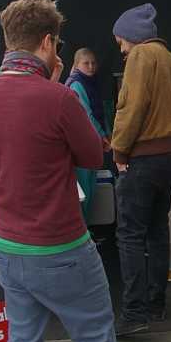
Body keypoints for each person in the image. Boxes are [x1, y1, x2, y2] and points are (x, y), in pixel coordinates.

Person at [0, 0, 153, 342]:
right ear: (48, 42)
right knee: (95, 340)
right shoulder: (59, 98)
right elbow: (94, 154)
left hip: (7, 245)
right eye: (57, 46)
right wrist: (56, 91)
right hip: (61, 245)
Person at [110, 3, 171, 336]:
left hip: (143, 157)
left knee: (130, 234)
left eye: (121, 42)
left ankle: (133, 312)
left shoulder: (141, 57)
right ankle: (156, 304)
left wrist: (119, 149)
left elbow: (132, 106)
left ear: (131, 36)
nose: (121, 50)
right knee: (158, 230)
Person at [65, 48, 111, 218]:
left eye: (93, 63)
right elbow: (87, 115)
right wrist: (103, 137)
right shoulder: (76, 84)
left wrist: (107, 133)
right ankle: (83, 230)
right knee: (84, 192)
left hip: (91, 145)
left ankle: (87, 229)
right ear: (76, 65)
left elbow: (100, 112)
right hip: (80, 147)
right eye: (86, 63)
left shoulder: (91, 83)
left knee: (90, 190)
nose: (91, 66)